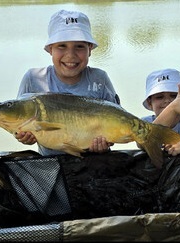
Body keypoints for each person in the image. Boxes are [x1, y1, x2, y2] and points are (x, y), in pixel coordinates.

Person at [15, 9, 120, 156]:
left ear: (90, 49)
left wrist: (106, 143)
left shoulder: (100, 78)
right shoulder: (33, 79)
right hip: (51, 166)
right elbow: (20, 123)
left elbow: (117, 123)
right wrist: (23, 137)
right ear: (50, 49)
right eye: (62, 46)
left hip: (95, 163)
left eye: (79, 46)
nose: (70, 55)